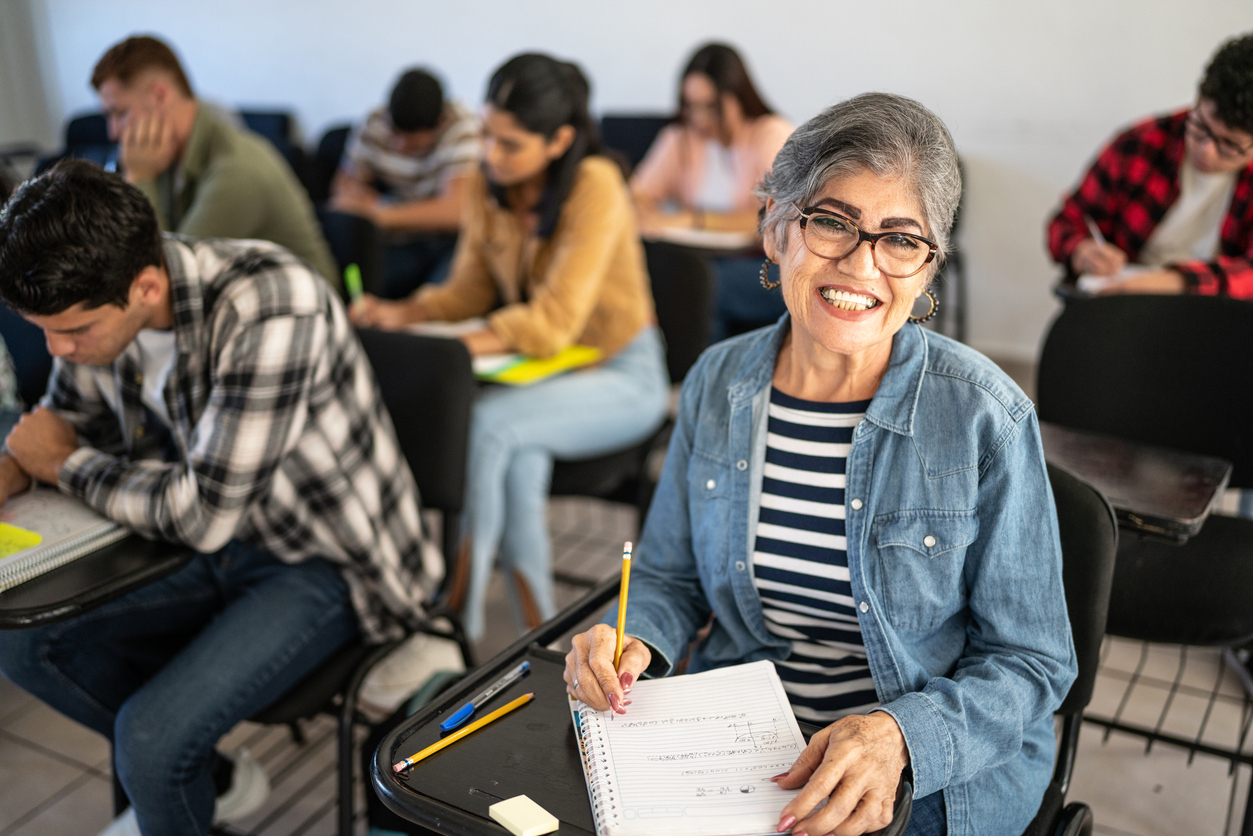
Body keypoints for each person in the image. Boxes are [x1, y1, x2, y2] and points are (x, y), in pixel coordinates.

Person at [564, 93, 1077, 836]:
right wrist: (632, 634)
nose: (861, 264)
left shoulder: (982, 417)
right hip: (736, 748)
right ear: (775, 226)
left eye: (900, 240)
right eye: (832, 222)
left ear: (928, 268)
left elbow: (1030, 662)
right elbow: (669, 577)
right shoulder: (717, 381)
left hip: (924, 769)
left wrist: (899, 736)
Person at [0, 161, 441, 836]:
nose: (56, 350)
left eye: (75, 331)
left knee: (148, 742)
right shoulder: (99, 294)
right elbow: (59, 421)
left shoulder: (271, 301)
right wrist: (14, 465)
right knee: (23, 647)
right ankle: (208, 779)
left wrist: (59, 464)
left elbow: (198, 514)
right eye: (42, 330)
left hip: (326, 561)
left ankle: (172, 769)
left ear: (145, 286)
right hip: (206, 542)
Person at [351, 53, 669, 642]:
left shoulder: (596, 185)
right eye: (487, 138)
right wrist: (401, 313)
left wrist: (460, 344)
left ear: (559, 141)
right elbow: (468, 289)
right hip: (546, 378)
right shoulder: (487, 185)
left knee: (490, 427)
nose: (491, 157)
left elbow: (552, 321)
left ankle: (452, 630)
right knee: (517, 463)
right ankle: (542, 636)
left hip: (625, 375)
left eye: (510, 145)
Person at [91, 35, 339, 286]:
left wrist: (141, 179)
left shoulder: (237, 170)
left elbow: (171, 279)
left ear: (159, 96)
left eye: (119, 113)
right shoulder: (167, 155)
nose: (113, 132)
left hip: (308, 314)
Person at [1047, 31, 1253, 298]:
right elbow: (1065, 222)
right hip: (1124, 306)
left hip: (1216, 316)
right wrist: (1081, 252)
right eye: (1201, 126)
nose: (1207, 151)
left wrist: (1168, 282)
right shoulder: (1141, 144)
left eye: (1229, 145)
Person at [631, 43, 794, 341]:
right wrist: (646, 214)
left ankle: (710, 380)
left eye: (711, 107)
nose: (699, 118)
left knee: (699, 286)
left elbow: (779, 218)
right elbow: (636, 196)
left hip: (765, 264)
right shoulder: (680, 138)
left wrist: (692, 219)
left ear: (739, 98)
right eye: (691, 106)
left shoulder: (770, 134)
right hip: (699, 259)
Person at [331, 67, 481, 299]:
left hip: (444, 242)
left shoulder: (462, 128)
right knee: (356, 283)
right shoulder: (376, 122)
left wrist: (380, 215)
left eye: (411, 138)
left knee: (440, 297)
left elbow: (456, 212)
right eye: (395, 132)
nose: (400, 145)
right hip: (397, 240)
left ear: (440, 122)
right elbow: (345, 189)